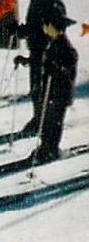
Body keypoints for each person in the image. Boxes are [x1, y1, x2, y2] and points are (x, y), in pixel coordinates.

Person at [13, 0, 67, 134]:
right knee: (36, 87)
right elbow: (36, 24)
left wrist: (31, 32)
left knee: (43, 88)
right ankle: (38, 118)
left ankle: (43, 122)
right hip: (37, 48)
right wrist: (25, 31)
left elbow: (55, 27)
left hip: (48, 50)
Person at [35, 14, 78, 164]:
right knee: (48, 121)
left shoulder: (65, 46)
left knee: (55, 122)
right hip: (51, 92)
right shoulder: (53, 42)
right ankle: (46, 146)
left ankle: (52, 149)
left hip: (60, 93)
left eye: (47, 26)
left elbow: (70, 64)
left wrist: (58, 69)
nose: (45, 29)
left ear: (55, 29)